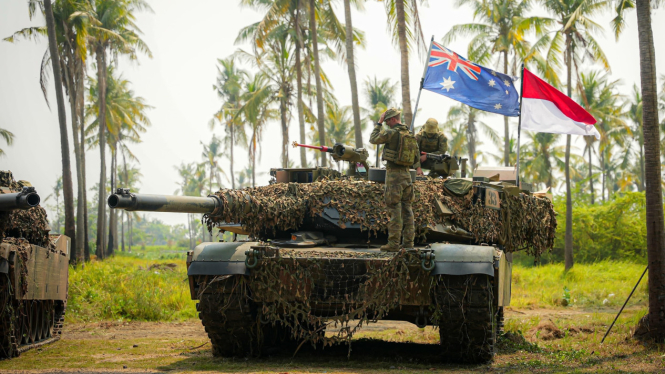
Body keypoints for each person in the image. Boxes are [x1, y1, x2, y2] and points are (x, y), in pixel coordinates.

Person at [369, 108, 422, 252]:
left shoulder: (391, 133)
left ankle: (393, 244)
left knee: (394, 210)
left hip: (394, 176)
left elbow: (373, 139)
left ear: (393, 119)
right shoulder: (410, 134)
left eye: (387, 121)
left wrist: (378, 123)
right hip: (407, 175)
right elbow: (417, 158)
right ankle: (408, 243)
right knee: (407, 210)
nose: (386, 123)